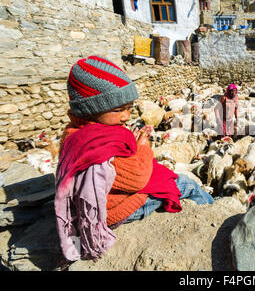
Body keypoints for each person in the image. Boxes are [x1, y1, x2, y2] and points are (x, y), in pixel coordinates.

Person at [55, 55, 213, 262]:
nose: (126, 116)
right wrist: (143, 148)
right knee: (185, 184)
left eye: (129, 108)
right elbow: (137, 177)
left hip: (109, 200)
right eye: (118, 110)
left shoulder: (76, 134)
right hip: (118, 210)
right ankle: (214, 215)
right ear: (92, 109)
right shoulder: (97, 144)